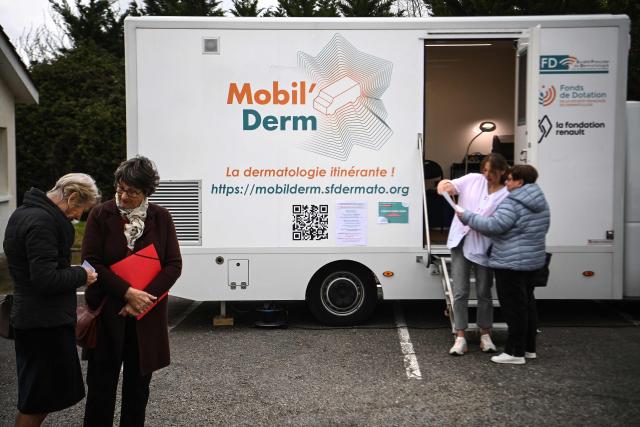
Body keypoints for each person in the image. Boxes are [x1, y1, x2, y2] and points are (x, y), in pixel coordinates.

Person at [82, 156, 182, 427]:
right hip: (107, 314)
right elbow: (92, 263)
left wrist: (142, 301)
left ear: (146, 192)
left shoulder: (160, 217)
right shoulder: (100, 214)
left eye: (132, 192)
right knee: (100, 390)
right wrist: (127, 292)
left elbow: (173, 265)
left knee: (138, 392)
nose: (124, 196)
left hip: (144, 318)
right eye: (120, 189)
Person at [2, 174, 100, 427]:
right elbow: (44, 279)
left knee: (38, 396)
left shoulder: (24, 213)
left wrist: (69, 270)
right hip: (44, 323)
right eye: (80, 210)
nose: (77, 217)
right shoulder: (43, 222)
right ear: (72, 196)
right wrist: (81, 274)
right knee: (36, 401)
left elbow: (40, 269)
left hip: (33, 319)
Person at [458, 165, 550, 365]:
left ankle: (514, 353)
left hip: (510, 263)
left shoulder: (513, 202)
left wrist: (467, 216)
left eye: (509, 180)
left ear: (519, 182)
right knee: (528, 306)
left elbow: (494, 226)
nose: (506, 183)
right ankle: (528, 348)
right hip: (532, 261)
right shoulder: (540, 202)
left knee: (514, 309)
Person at [437, 153, 510, 355]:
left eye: (492, 172)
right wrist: (444, 185)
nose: (487, 175)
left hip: (485, 246)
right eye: (485, 170)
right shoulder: (473, 179)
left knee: (484, 291)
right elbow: (451, 185)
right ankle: (460, 336)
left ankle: (485, 334)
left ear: (502, 171)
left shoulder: (506, 193)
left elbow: (498, 223)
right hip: (460, 241)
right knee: (460, 290)